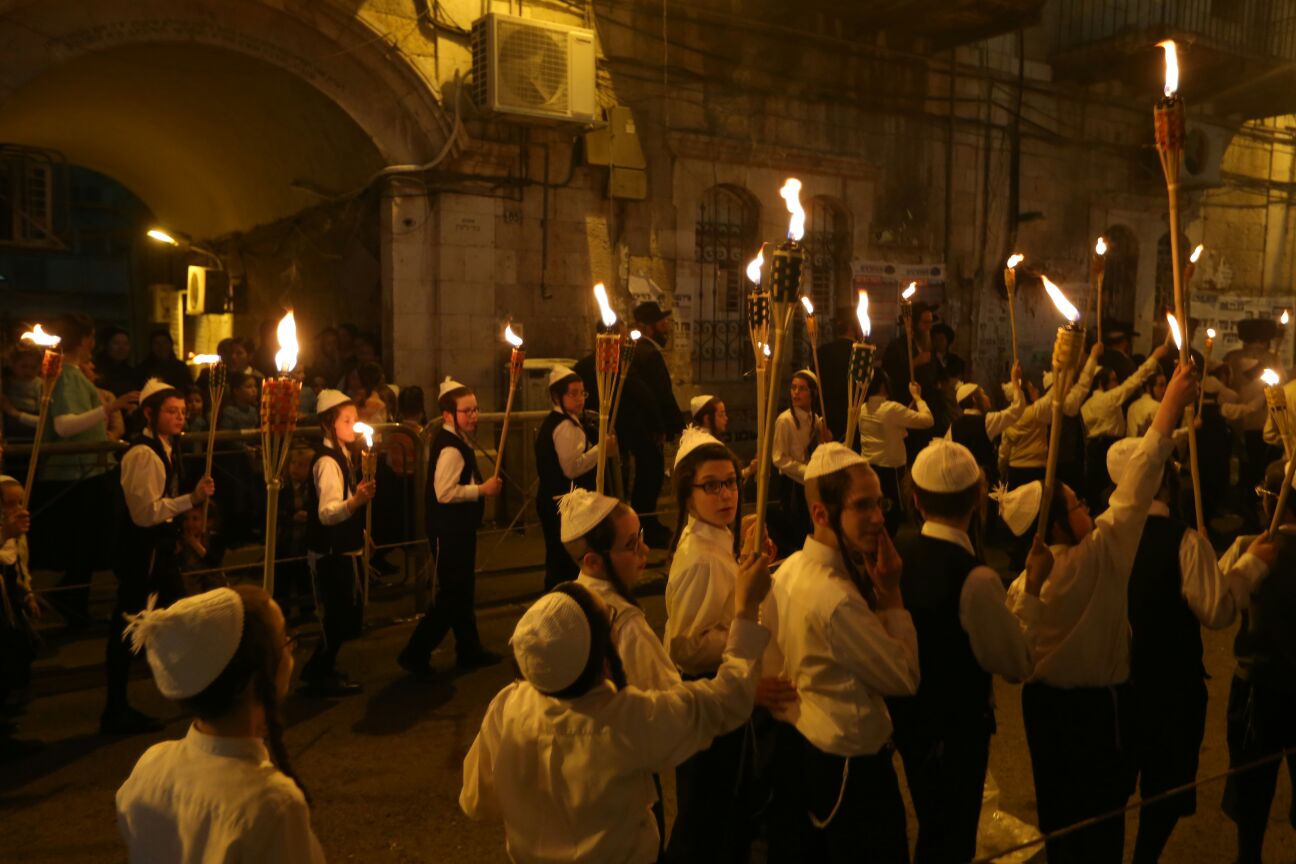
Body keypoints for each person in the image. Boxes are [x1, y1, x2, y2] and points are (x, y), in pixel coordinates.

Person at [995, 362, 1197, 864]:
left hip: (1044, 712)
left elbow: (1016, 662)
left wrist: (1033, 588)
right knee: (1101, 822)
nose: (1090, 507)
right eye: (1077, 503)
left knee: (1061, 822)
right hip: (1097, 713)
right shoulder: (1101, 552)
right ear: (1054, 528)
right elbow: (1139, 480)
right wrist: (1171, 405)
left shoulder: (1021, 588)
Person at [460, 552, 772, 863]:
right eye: (608, 619)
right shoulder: (627, 719)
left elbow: (475, 802)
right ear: (602, 658)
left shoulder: (507, 708)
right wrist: (745, 608)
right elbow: (728, 699)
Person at [1100, 438, 1274, 863]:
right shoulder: (1184, 542)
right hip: (1169, 689)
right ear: (1162, 482)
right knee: (1164, 787)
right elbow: (1217, 610)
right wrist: (1249, 565)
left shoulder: (1099, 535)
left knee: (1111, 789)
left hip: (1112, 688)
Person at [886, 438, 1046, 863]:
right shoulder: (975, 578)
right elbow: (1016, 663)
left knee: (933, 825)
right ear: (978, 498)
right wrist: (1031, 590)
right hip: (957, 731)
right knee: (951, 839)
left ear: (916, 500)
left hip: (912, 721)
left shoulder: (899, 552)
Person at [761, 442, 920, 863]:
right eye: (863, 505)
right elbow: (904, 677)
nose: (878, 517)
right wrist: (891, 595)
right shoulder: (835, 600)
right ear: (820, 514)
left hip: (810, 750)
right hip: (853, 767)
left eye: (880, 502)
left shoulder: (791, 568)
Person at [116, 585, 325, 862]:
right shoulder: (272, 806)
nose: (291, 648)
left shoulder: (150, 767)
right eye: (284, 641)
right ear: (253, 682)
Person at [664, 427, 788, 862]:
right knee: (708, 823)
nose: (726, 495)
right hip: (709, 703)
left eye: (731, 482)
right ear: (688, 495)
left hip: (721, 697)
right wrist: (746, 619)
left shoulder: (714, 537)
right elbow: (685, 646)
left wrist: (747, 561)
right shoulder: (700, 557)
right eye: (711, 486)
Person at [103, 378, 216, 734]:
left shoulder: (167, 447)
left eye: (182, 411)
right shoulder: (143, 454)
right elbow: (145, 513)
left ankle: (193, 691)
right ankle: (116, 709)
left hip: (159, 550)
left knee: (174, 617)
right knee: (131, 626)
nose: (180, 417)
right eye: (171, 411)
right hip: (142, 552)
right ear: (149, 414)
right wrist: (190, 500)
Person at [1217, 459, 1296, 864]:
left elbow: (1216, 605)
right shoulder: (1250, 545)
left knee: (1252, 795)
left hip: (1257, 690)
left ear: (1271, 502)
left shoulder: (1247, 547)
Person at [39, 313, 139, 628]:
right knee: (86, 543)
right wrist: (111, 407)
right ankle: (73, 602)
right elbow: (64, 425)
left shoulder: (72, 374)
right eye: (91, 337)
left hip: (88, 470)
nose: (93, 344)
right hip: (77, 473)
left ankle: (76, 603)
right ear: (84, 340)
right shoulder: (67, 376)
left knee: (86, 545)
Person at [397, 377, 502, 675]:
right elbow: (444, 493)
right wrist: (482, 490)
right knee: (452, 595)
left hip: (459, 528)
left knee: (462, 591)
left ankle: (469, 648)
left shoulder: (457, 439)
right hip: (449, 530)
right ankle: (415, 653)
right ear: (447, 415)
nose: (473, 416)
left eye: (475, 409)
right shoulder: (450, 447)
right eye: (466, 411)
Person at [300, 389, 374, 696]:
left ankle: (321, 669)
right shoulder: (328, 462)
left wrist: (362, 532)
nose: (353, 425)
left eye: (355, 419)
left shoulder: (343, 454)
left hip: (343, 546)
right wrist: (356, 502)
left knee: (343, 614)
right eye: (346, 420)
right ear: (329, 423)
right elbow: (327, 513)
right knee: (337, 615)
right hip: (331, 551)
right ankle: (318, 673)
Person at [534, 366, 609, 590]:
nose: (580, 399)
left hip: (556, 501)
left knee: (559, 557)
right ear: (557, 396)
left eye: (582, 393)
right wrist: (601, 449)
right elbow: (572, 469)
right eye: (573, 393)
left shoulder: (565, 421)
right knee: (564, 560)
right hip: (563, 504)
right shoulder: (565, 426)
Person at [1080, 341, 1168, 512]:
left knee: (1094, 493)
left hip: (1092, 451)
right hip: (1107, 448)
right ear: (1101, 383)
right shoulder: (1108, 399)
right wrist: (1155, 357)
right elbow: (1133, 382)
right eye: (1113, 380)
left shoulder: (1086, 405)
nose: (1117, 384)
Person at [630, 301, 685, 547]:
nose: (667, 329)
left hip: (644, 428)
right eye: (662, 324)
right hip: (648, 430)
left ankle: (647, 525)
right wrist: (668, 427)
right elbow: (658, 395)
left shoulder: (640, 350)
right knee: (649, 478)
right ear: (648, 328)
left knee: (649, 477)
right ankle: (647, 528)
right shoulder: (648, 354)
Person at [858, 370, 932, 537]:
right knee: (892, 511)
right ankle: (886, 543)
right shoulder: (891, 409)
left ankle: (876, 543)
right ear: (883, 385)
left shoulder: (863, 408)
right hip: (891, 469)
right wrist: (918, 397)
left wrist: (908, 410)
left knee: (875, 508)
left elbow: (893, 424)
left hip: (870, 467)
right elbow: (928, 420)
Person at [0, 474, 39, 755]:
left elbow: (17, 567)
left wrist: (27, 594)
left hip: (8, 602)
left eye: (20, 503)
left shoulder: (16, 537)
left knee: (19, 655)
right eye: (10, 504)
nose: (18, 510)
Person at [773, 369, 830, 549]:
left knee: (813, 528)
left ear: (813, 393)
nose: (796, 393)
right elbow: (778, 458)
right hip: (793, 484)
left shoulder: (816, 420)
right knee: (797, 532)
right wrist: (806, 470)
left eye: (802, 388)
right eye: (793, 388)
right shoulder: (785, 421)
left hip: (812, 482)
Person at [950, 363, 1024, 488]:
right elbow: (1017, 410)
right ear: (974, 399)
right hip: (985, 483)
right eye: (983, 394)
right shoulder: (987, 421)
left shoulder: (953, 426)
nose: (987, 397)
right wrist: (1015, 381)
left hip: (965, 484)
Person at [95, 326, 139, 397]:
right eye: (116, 343)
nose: (122, 347)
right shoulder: (95, 370)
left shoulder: (131, 372)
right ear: (106, 345)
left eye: (126, 343)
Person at [1125, 371, 1167, 440]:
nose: (1164, 390)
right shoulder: (1157, 407)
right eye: (1161, 385)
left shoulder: (1132, 406)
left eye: (1165, 385)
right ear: (1148, 388)